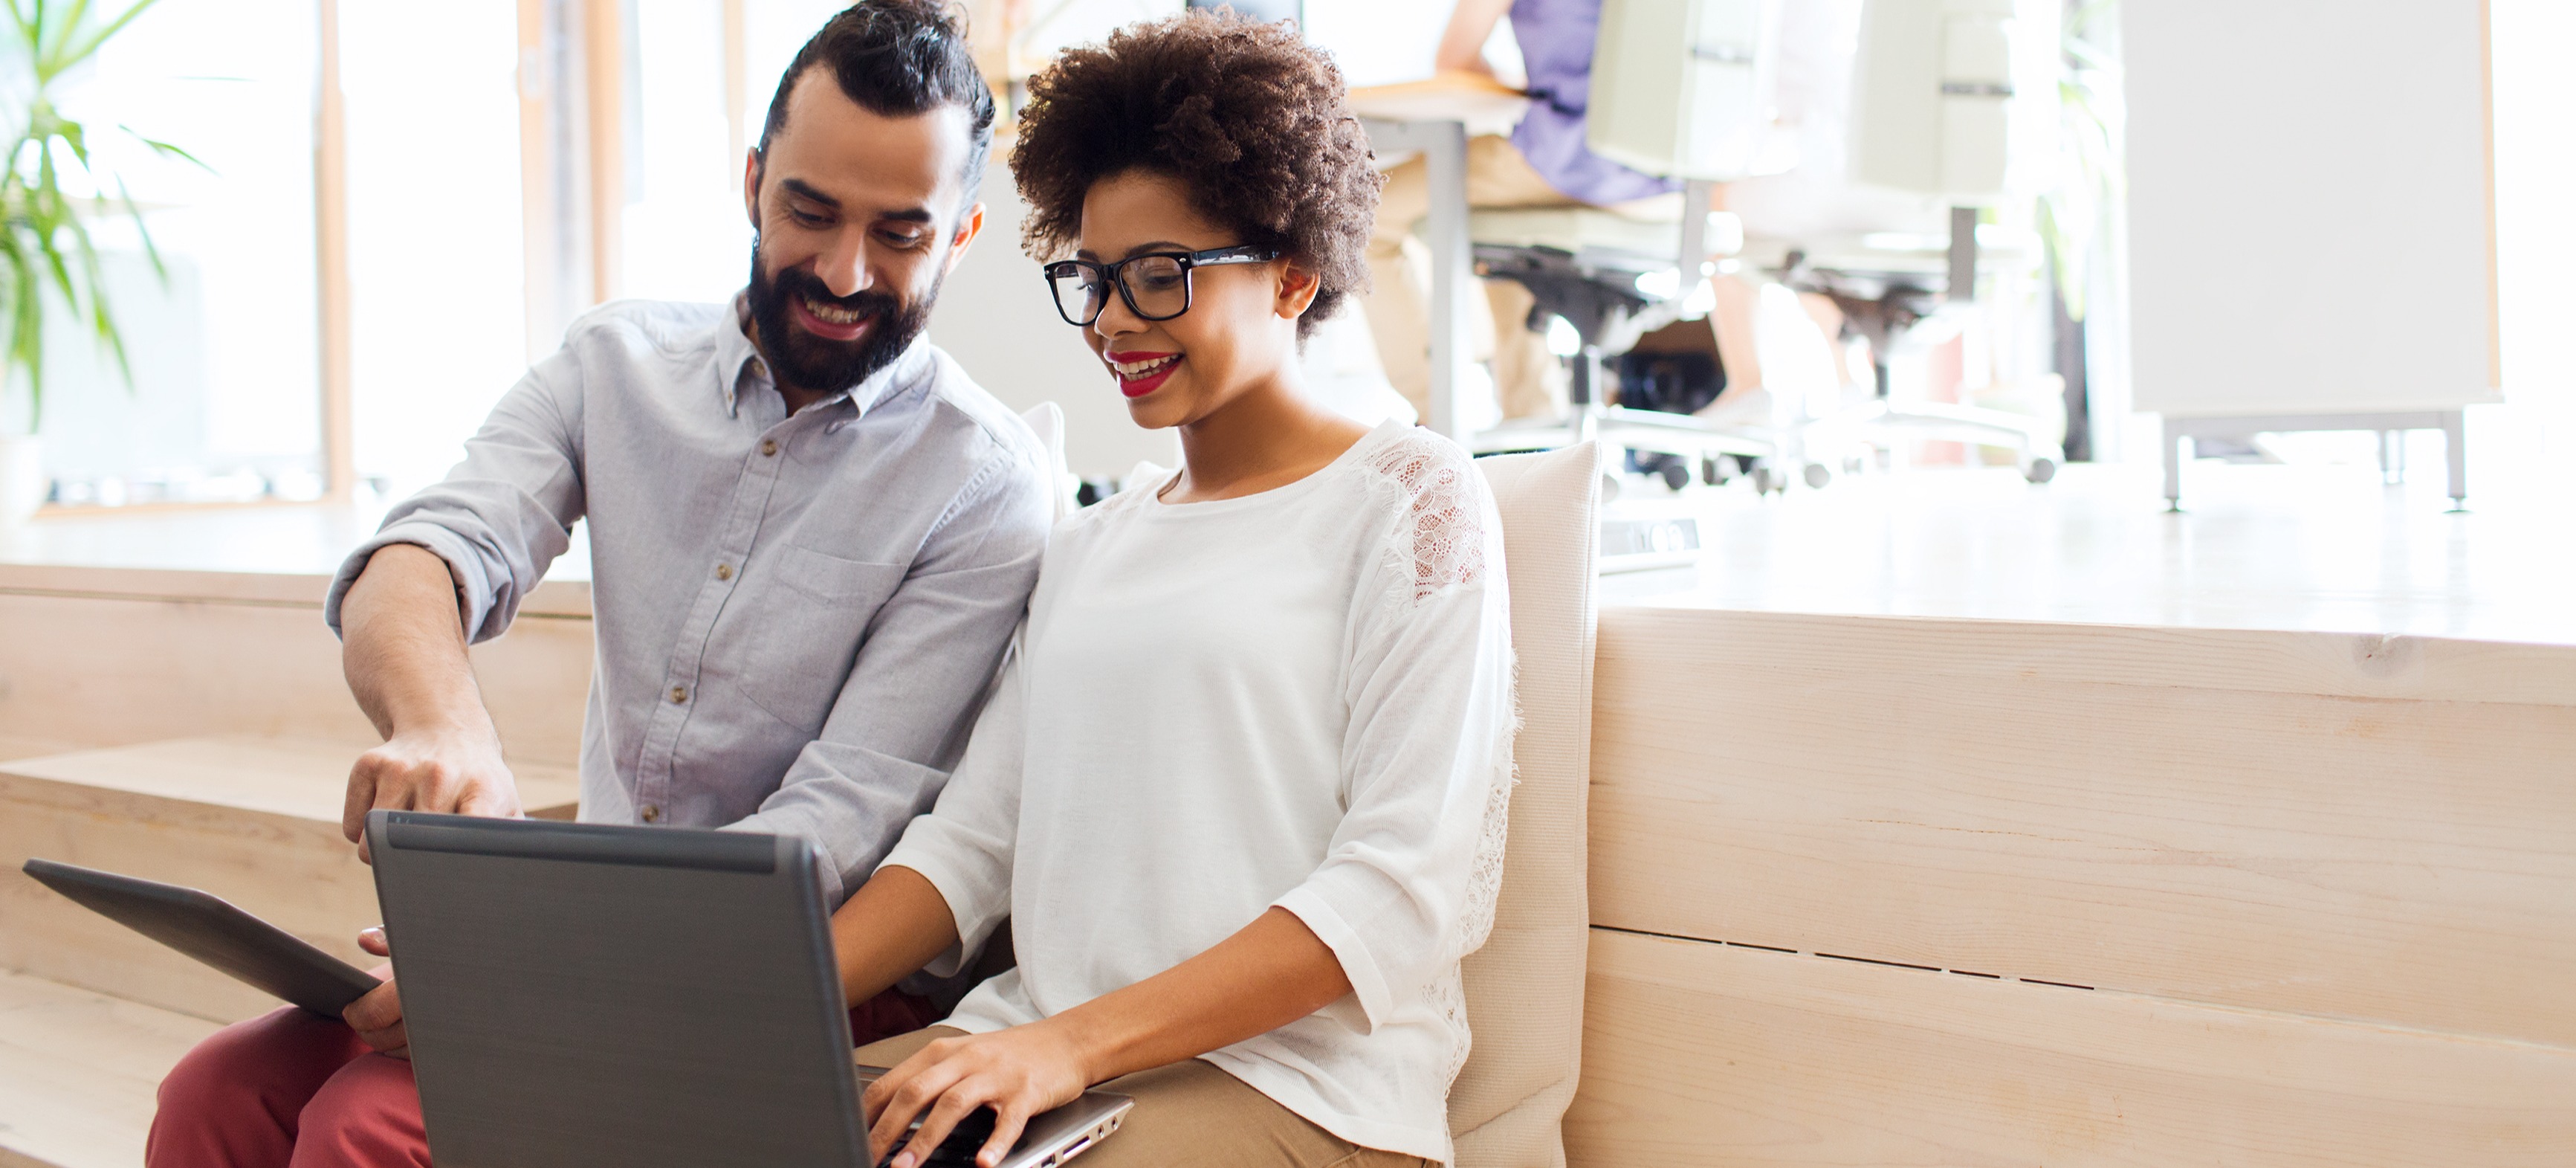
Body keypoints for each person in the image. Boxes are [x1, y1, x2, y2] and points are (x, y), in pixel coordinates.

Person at [146, 4, 1049, 1165]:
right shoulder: (611, 364)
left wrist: (522, 974)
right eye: (808, 212)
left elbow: (829, 834)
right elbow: (423, 552)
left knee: (365, 1126)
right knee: (215, 1090)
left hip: (804, 974)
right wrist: (443, 723)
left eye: (900, 235)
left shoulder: (982, 483)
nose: (841, 271)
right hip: (588, 933)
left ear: (963, 234)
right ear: (752, 182)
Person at [826, 13, 1518, 1168]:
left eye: (1160, 276)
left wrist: (1067, 1045)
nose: (1109, 321)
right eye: (1093, 277)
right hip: (1039, 1058)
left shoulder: (1411, 498)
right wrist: (731, 995)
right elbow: (969, 847)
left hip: (1297, 1089)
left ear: (1293, 275)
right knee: (698, 1110)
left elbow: (1398, 891)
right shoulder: (1093, 544)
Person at [1362, 0, 1685, 424]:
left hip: (1569, 164)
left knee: (1366, 216)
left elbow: (1456, 60)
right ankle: (1531, 415)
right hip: (1671, 187)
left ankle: (1438, 413)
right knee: (1503, 226)